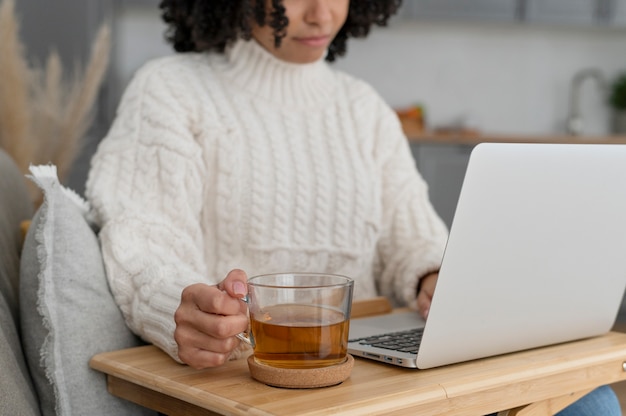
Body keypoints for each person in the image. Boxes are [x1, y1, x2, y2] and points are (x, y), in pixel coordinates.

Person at [85, 1, 620, 414]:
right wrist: (179, 307)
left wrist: (433, 274)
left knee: (591, 399)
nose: (322, 14)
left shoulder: (363, 109)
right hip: (258, 386)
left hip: (379, 380)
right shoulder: (169, 91)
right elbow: (144, 239)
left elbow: (412, 239)